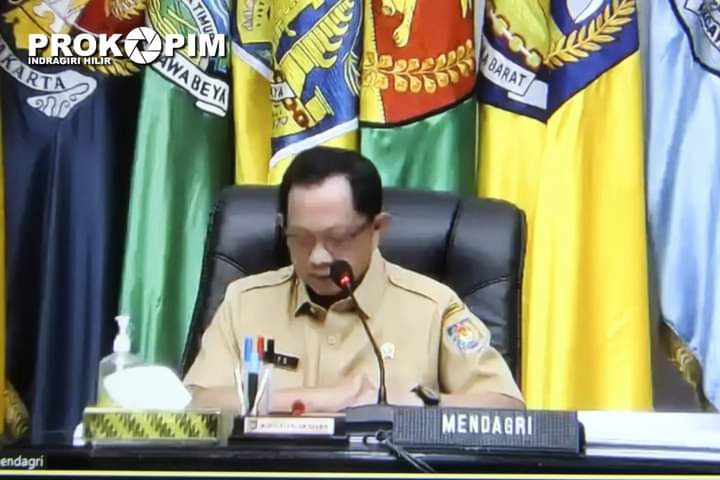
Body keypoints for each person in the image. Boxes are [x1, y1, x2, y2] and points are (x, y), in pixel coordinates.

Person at [185, 147, 524, 412]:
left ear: (377, 229)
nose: (318, 257)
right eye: (300, 238)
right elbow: (196, 403)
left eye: (337, 239)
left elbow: (506, 409)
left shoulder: (433, 307)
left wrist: (410, 406)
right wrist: (326, 400)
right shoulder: (245, 302)